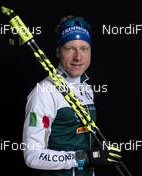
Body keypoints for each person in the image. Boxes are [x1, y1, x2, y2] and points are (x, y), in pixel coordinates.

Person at [22, 15, 121, 176]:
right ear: (58, 51)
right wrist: (85, 157)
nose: (78, 57)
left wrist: (100, 154)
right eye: (70, 48)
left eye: (84, 48)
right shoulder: (44, 92)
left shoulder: (87, 89)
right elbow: (32, 156)